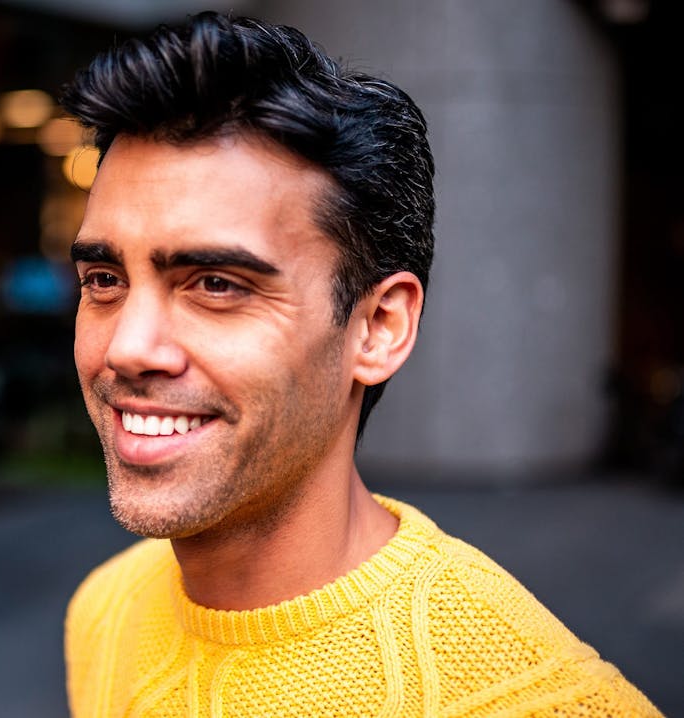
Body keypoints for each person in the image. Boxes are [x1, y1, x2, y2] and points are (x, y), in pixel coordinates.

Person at [61, 12, 661, 717]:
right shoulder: (101, 611)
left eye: (217, 285)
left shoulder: (547, 703)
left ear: (378, 327)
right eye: (104, 279)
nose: (128, 347)